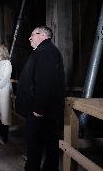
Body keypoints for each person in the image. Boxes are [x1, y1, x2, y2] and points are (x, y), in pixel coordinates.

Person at [16, 26, 65, 171]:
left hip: (39, 111)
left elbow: (46, 82)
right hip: (40, 109)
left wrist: (38, 108)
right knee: (45, 143)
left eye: (32, 34)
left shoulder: (46, 52)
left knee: (36, 143)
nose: (30, 38)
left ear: (43, 35)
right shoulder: (43, 51)